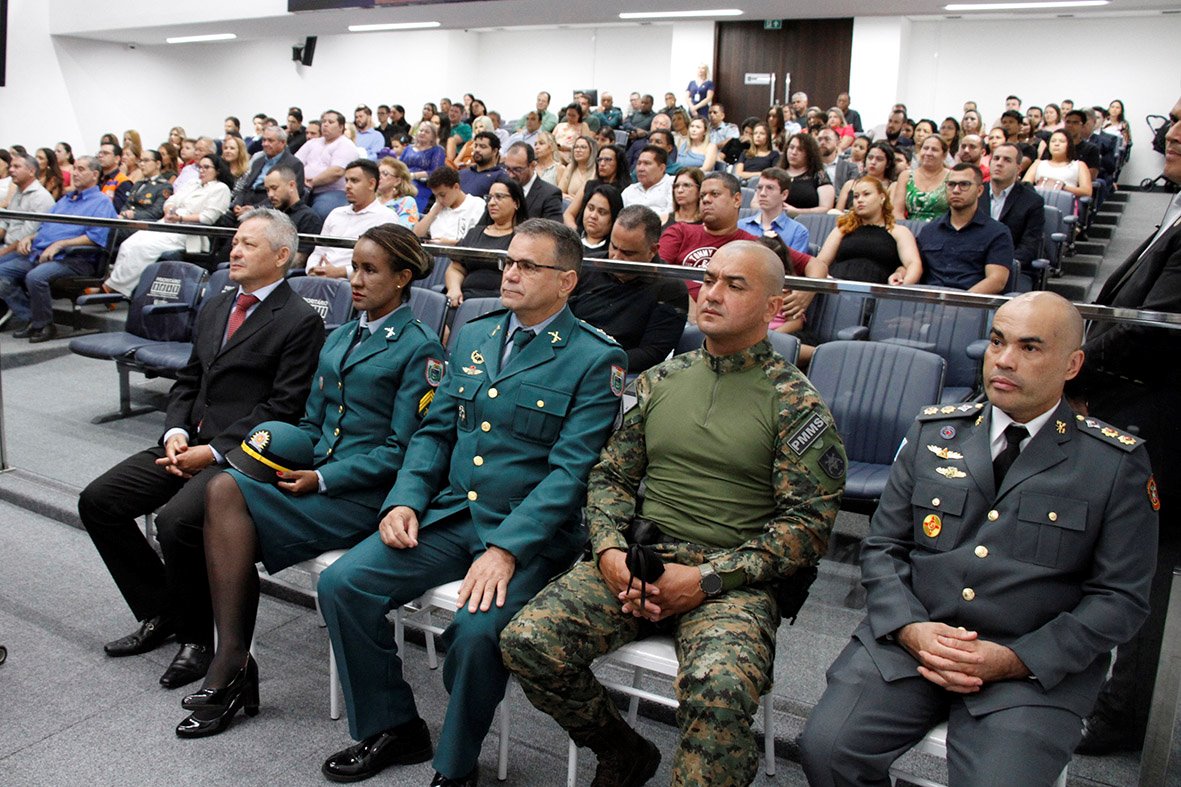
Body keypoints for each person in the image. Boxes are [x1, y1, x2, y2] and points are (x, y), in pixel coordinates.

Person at [503, 240, 845, 785]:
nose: (712, 294)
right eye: (709, 280)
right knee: (529, 641)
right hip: (642, 558)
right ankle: (623, 750)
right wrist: (609, 551)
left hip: (732, 578)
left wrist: (706, 579)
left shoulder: (795, 402)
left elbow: (806, 528)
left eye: (734, 285)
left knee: (720, 690)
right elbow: (611, 476)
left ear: (772, 306)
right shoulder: (661, 380)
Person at [800, 290, 1157, 786]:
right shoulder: (933, 433)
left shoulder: (1112, 463)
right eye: (997, 341)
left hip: (1030, 671)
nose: (1004, 360)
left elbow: (1121, 598)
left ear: (1072, 364)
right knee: (828, 751)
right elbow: (884, 546)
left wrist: (1016, 660)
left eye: (1029, 347)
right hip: (913, 645)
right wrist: (910, 628)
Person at [316, 219, 627, 787]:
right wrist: (405, 500)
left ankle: (456, 766)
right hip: (453, 512)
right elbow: (435, 432)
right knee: (343, 585)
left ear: (566, 282)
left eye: (528, 265)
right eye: (509, 261)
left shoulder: (594, 358)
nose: (510, 273)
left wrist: (507, 550)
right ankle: (394, 726)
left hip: (528, 533)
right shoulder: (474, 336)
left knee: (478, 634)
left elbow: (571, 473)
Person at [174, 224, 444, 738]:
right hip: (313, 476)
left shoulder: (420, 348)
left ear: (403, 278)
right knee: (223, 488)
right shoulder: (339, 336)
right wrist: (273, 453)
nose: (354, 280)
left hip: (365, 496)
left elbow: (403, 448)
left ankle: (230, 667)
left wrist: (322, 477)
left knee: (226, 511)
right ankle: (234, 659)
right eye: (354, 267)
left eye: (370, 270)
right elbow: (312, 424)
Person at [78, 209, 325, 689]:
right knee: (99, 501)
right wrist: (174, 431)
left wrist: (213, 454)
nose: (235, 251)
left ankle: (199, 640)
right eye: (235, 242)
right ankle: (162, 610)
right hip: (188, 442)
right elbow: (189, 379)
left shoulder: (299, 320)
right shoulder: (217, 305)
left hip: (241, 457)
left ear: (281, 256)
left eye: (249, 244)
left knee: (176, 522)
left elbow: (284, 406)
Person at [1071, 98, 1181, 756]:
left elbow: (1151, 332)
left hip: (1161, 418)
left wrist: (1074, 371)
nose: (1172, 134)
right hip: (1138, 402)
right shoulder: (1174, 208)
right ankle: (1118, 696)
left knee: (1148, 566)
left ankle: (1125, 712)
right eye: (1172, 120)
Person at [0, 156, 117, 342]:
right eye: (74, 168)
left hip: (75, 259)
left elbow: (95, 238)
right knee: (2, 273)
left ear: (95, 174)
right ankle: (31, 318)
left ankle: (45, 325)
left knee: (35, 277)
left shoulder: (101, 202)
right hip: (42, 253)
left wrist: (61, 244)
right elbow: (45, 227)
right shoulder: (66, 200)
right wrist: (30, 237)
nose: (75, 173)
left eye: (81, 169)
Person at [568, 204, 688, 372]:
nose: (616, 258)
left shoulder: (670, 288)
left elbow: (652, 353)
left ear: (652, 250)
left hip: (614, 370)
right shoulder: (589, 266)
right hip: (567, 354)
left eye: (628, 253)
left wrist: (595, 363)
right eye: (613, 246)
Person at [103, 155, 233, 297]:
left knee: (143, 248)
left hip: (189, 231)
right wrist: (169, 211)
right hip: (168, 222)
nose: (202, 170)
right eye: (200, 167)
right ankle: (115, 284)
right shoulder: (192, 183)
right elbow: (170, 201)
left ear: (218, 170)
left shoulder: (221, 188)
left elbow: (208, 217)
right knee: (129, 243)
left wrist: (180, 218)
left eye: (206, 167)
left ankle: (116, 288)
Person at [659, 172, 758, 318]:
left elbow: (795, 267)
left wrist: (796, 292)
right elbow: (656, 272)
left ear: (736, 200)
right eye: (702, 196)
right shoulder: (680, 231)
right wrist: (689, 307)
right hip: (676, 315)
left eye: (714, 194)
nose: (706, 200)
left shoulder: (753, 245)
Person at [918, 164, 1014, 294]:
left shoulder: (997, 233)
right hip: (928, 301)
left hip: (972, 302)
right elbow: (914, 266)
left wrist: (959, 301)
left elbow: (997, 281)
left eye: (964, 185)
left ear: (979, 191)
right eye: (951, 184)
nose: (956, 190)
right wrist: (900, 272)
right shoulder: (929, 231)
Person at [816, 176, 922, 286]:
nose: (859, 200)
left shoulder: (898, 232)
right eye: (856, 196)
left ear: (882, 197)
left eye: (866, 194)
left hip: (878, 292)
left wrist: (900, 286)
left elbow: (913, 264)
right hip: (837, 288)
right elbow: (821, 262)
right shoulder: (842, 229)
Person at [306, 159, 398, 278]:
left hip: (357, 282)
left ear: (371, 184)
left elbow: (382, 262)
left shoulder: (386, 217)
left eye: (354, 181)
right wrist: (312, 269)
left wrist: (342, 272)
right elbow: (318, 251)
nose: (347, 186)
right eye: (346, 180)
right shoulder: (335, 213)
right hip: (318, 278)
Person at [445, 177, 528, 304]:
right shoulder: (474, 233)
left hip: (499, 302)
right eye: (489, 198)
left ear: (516, 203)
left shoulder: (523, 238)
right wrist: (454, 289)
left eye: (499, 197)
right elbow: (456, 268)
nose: (491, 203)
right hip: (463, 299)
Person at [981, 143, 1045, 273]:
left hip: (1010, 268)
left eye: (1007, 160)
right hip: (972, 265)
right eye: (996, 158)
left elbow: (1029, 246)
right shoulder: (975, 193)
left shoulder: (1032, 201)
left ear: (1018, 168)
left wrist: (1000, 265)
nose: (999, 163)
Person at [229, 126, 305, 219]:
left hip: (269, 212)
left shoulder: (294, 164)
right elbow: (245, 187)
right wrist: (237, 204)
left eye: (270, 141)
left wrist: (255, 208)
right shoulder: (258, 161)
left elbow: (289, 196)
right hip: (243, 207)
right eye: (264, 140)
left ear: (283, 143)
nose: (265, 144)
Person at [295, 110, 357, 220]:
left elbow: (336, 172)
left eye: (330, 122)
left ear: (341, 127)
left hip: (332, 191)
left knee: (317, 214)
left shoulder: (346, 145)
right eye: (323, 121)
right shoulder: (312, 143)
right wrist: (301, 180)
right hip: (302, 188)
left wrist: (311, 182)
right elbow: (295, 163)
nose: (325, 124)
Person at [0, 155, 55, 275]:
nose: (11, 170)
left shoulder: (40, 197)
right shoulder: (18, 192)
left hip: (25, 252)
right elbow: (5, 222)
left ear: (31, 172)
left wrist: (2, 252)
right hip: (7, 246)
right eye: (11, 166)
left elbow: (25, 236)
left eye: (16, 167)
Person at [263, 165, 323, 268]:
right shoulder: (268, 215)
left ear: (291, 185)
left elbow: (299, 260)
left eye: (274, 188)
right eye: (267, 190)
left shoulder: (308, 218)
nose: (270, 195)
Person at [738, 167, 810, 253]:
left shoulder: (798, 232)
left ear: (784, 194)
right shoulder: (740, 226)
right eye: (759, 187)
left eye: (770, 188)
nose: (762, 193)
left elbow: (794, 262)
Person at [413, 166, 487, 248]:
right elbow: (416, 235)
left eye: (442, 195)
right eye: (436, 196)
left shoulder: (477, 205)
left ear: (456, 187)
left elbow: (479, 241)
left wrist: (450, 243)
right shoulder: (437, 206)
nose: (439, 199)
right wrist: (434, 211)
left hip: (460, 253)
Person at [561, 143, 629, 228]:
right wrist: (575, 231)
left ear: (618, 163)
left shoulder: (626, 191)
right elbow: (568, 214)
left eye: (608, 159)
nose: (602, 164)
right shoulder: (589, 185)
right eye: (599, 160)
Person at [893, 135, 950, 221]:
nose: (928, 153)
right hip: (909, 227)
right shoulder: (906, 176)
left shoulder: (952, 177)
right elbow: (897, 212)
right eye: (925, 148)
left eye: (934, 149)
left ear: (944, 155)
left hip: (941, 226)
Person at [1024, 129, 1093, 198]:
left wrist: (1060, 186)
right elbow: (1025, 186)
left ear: (1069, 145)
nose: (1056, 144)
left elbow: (1087, 192)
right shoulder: (1038, 163)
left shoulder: (1079, 165)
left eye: (1062, 141)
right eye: (1053, 141)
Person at [781, 133, 835, 215]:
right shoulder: (776, 173)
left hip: (807, 221)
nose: (794, 152)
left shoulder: (820, 175)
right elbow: (759, 202)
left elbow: (826, 209)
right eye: (791, 147)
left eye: (800, 149)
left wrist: (797, 212)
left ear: (809, 153)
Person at [400, 123, 447, 216]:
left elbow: (435, 172)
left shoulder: (437, 150)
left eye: (427, 132)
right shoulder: (408, 148)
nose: (422, 133)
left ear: (433, 136)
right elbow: (398, 166)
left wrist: (413, 175)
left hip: (423, 185)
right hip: (403, 181)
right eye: (421, 130)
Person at [835, 141, 895, 211]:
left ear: (888, 164)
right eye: (870, 158)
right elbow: (837, 213)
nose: (873, 162)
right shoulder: (850, 185)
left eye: (879, 159)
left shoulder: (892, 187)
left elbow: (890, 213)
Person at [119, 150, 174, 222]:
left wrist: (134, 215)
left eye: (146, 160)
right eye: (140, 161)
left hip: (146, 225)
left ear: (158, 164)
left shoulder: (164, 186)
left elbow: (156, 212)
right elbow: (127, 204)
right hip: (127, 222)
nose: (142, 164)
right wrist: (124, 213)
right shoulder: (138, 184)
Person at [574, 183, 622, 259]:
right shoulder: (569, 241)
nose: (593, 216)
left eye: (602, 212)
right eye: (590, 208)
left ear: (614, 217)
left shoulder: (614, 254)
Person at [621, 146, 673, 215]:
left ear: (662, 168)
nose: (640, 169)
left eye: (647, 163)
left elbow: (673, 215)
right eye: (639, 163)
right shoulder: (629, 191)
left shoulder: (673, 185)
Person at [456, 129, 505, 200]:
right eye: (475, 146)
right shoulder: (461, 173)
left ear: (494, 151)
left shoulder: (500, 176)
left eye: (483, 147)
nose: (477, 150)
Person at [376, 157, 420, 228]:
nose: (379, 177)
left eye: (385, 174)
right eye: (377, 173)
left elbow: (404, 230)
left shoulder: (406, 201)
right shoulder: (372, 200)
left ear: (397, 181)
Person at [557, 135, 597, 202]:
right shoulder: (570, 167)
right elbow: (559, 192)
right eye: (576, 147)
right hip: (569, 204)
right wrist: (568, 197)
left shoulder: (597, 169)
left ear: (591, 150)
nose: (578, 150)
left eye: (583, 147)